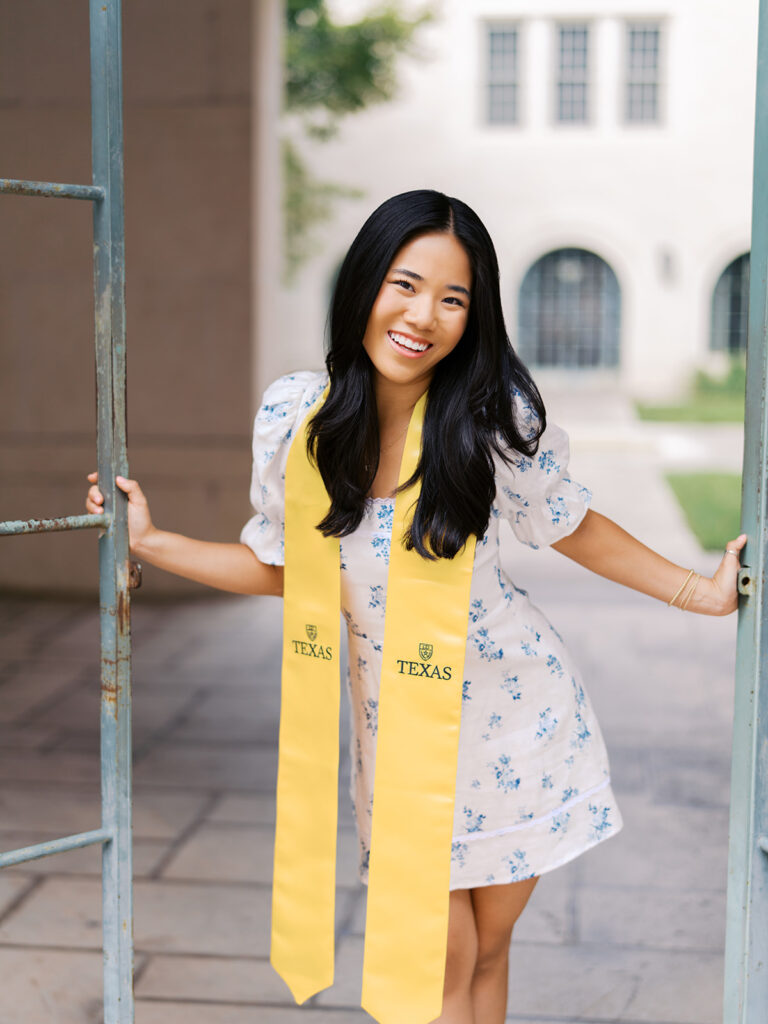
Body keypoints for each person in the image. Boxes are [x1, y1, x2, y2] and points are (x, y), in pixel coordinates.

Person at [85, 189, 745, 1024]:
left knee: (486, 954)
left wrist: (700, 592)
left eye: (453, 298)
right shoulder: (303, 420)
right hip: (398, 744)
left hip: (519, 726)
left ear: (475, 316)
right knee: (437, 963)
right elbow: (286, 569)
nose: (423, 315)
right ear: (365, 283)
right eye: (405, 283)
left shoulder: (489, 419)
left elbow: (571, 525)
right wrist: (153, 542)